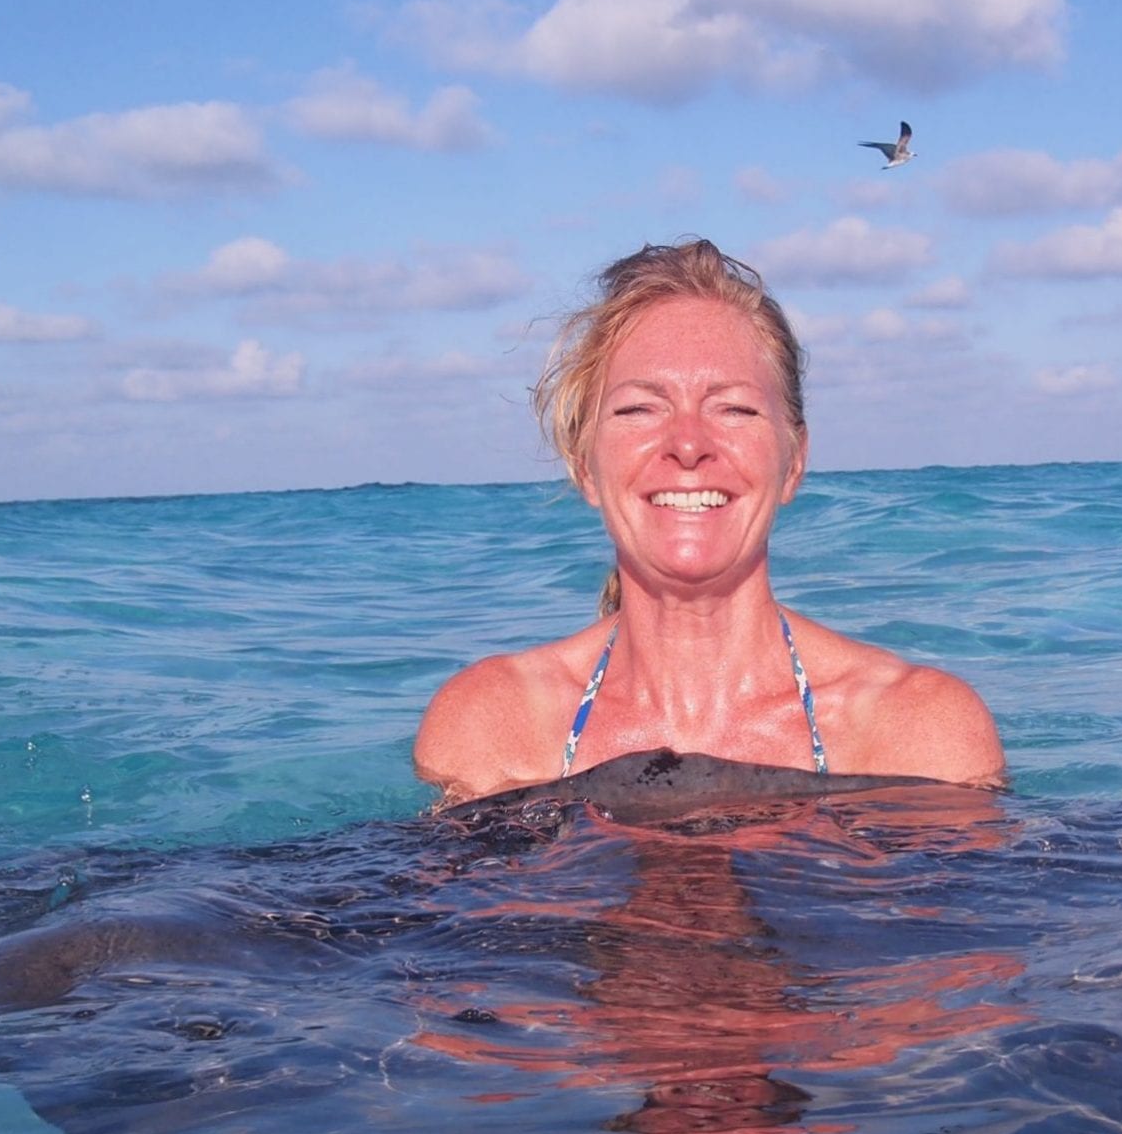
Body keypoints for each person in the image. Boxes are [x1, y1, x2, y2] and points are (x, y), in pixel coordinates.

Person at [415, 239, 1005, 802]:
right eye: (640, 408)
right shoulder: (492, 729)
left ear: (793, 461)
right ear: (585, 465)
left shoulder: (917, 735)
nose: (689, 444)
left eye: (734, 408)